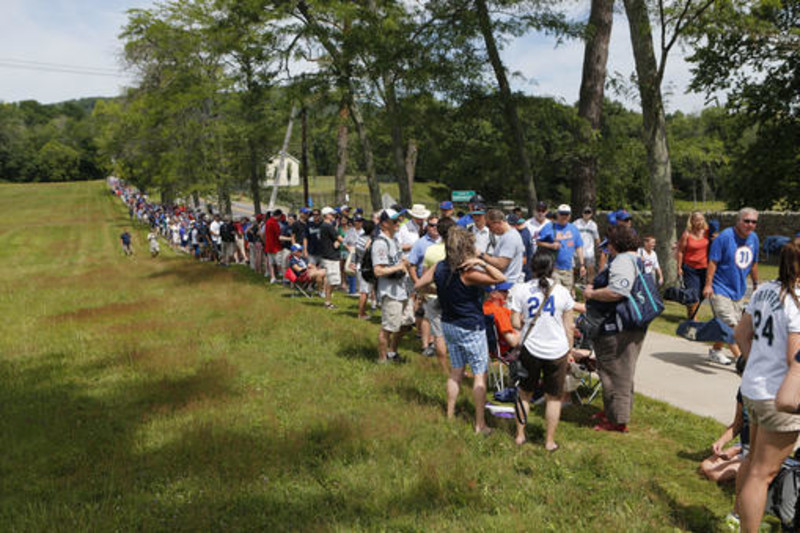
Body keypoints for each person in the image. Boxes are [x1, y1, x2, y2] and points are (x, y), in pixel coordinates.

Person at [732, 242, 800, 532]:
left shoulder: (764, 290)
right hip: (779, 395)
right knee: (764, 472)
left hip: (753, 388)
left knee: (752, 459)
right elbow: (794, 359)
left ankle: (737, 514)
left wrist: (756, 361)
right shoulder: (796, 302)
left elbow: (740, 333)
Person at [414, 227, 506, 434]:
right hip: (471, 326)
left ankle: (449, 414)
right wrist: (482, 262)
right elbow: (500, 277)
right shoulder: (469, 272)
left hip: (449, 324)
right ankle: (480, 424)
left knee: (456, 371)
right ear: (467, 247)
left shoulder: (439, 267)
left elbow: (418, 285)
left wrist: (438, 290)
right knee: (479, 375)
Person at [509, 251, 575, 451]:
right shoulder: (563, 292)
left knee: (525, 393)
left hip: (532, 347)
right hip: (557, 350)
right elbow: (569, 327)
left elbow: (514, 322)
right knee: (554, 397)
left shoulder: (521, 289)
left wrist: (525, 320)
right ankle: (549, 441)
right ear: (552, 268)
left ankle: (520, 435)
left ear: (532, 267)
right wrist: (570, 350)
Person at [584, 226, 646, 433]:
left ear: (615, 243)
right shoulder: (635, 258)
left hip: (618, 327)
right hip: (629, 325)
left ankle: (617, 420)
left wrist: (592, 294)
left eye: (609, 243)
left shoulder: (622, 260)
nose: (607, 248)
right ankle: (613, 410)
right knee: (622, 371)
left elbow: (617, 291)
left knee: (615, 373)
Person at [704, 208, 760, 365]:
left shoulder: (754, 239)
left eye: (753, 222)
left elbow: (754, 263)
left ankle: (715, 350)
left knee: (726, 323)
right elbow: (713, 262)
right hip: (720, 287)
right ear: (738, 221)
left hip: (739, 290)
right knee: (732, 325)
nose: (750, 224)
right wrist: (708, 284)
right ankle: (743, 359)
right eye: (746, 221)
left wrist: (756, 284)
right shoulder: (724, 237)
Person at [373, 209, 413, 363]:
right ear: (384, 224)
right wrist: (398, 267)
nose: (398, 223)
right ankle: (382, 359)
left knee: (406, 322)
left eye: (399, 220)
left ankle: (392, 352)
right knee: (388, 327)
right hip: (390, 291)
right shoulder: (380, 243)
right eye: (394, 221)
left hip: (403, 289)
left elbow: (398, 258)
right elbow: (378, 270)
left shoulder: (394, 240)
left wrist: (405, 262)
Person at [420, 217, 457, 373]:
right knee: (454, 336)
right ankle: (457, 368)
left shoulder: (431, 250)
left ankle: (444, 369)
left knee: (438, 335)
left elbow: (424, 276)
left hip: (435, 295)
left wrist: (424, 293)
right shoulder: (457, 251)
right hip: (455, 297)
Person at [700, 390, 748, 484]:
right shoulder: (745, 389)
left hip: (762, 452)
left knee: (714, 474)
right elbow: (737, 424)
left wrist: (739, 449)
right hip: (745, 447)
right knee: (706, 466)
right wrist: (720, 442)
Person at [408, 215, 441, 356]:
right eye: (432, 225)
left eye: (437, 225)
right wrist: (418, 284)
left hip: (440, 286)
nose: (434, 228)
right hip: (426, 286)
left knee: (437, 317)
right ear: (427, 226)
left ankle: (435, 343)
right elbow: (411, 265)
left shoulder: (444, 242)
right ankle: (425, 345)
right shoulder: (420, 243)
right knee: (427, 316)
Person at [536, 204, 586, 291]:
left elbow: (579, 246)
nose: (564, 217)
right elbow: (536, 242)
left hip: (568, 269)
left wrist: (582, 265)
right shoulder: (549, 226)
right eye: (562, 214)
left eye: (566, 214)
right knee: (556, 293)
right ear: (557, 214)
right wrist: (550, 245)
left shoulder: (573, 229)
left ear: (570, 215)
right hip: (553, 268)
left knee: (567, 295)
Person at [677, 211, 710, 318]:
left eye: (701, 219)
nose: (699, 222)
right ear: (692, 221)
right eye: (696, 219)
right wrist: (679, 267)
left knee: (701, 294)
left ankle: (691, 312)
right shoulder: (687, 234)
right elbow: (680, 251)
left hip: (704, 268)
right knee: (693, 293)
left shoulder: (707, 232)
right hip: (690, 268)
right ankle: (692, 318)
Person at [482, 209, 525, 284]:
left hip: (508, 285)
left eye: (489, 226)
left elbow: (501, 264)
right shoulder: (506, 236)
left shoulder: (510, 237)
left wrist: (481, 255)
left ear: (498, 222)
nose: (489, 230)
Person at [483, 282, 520, 354]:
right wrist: (521, 332)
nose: (508, 293)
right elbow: (513, 342)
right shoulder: (499, 313)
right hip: (504, 350)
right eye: (504, 291)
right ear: (493, 294)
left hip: (487, 348)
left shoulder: (485, 307)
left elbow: (513, 316)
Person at [319, 207, 344, 309]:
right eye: (332, 214)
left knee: (333, 280)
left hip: (330, 255)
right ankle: (327, 302)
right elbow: (340, 238)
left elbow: (336, 240)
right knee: (333, 281)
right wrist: (348, 246)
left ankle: (328, 301)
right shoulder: (328, 226)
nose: (333, 216)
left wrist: (337, 241)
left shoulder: (326, 226)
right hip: (330, 257)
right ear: (326, 215)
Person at [355, 220, 376, 320]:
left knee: (365, 291)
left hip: (360, 266)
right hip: (365, 268)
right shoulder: (369, 240)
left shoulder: (360, 238)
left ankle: (362, 311)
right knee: (364, 292)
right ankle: (361, 313)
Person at [574, 207, 600, 281]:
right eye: (585, 212)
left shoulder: (593, 225)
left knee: (591, 270)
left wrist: (599, 249)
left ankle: (590, 286)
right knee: (575, 270)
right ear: (582, 213)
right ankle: (575, 286)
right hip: (577, 252)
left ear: (591, 214)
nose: (587, 214)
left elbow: (597, 238)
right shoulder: (576, 223)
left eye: (588, 212)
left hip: (589, 252)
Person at [264, 210, 283, 282]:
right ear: (278, 215)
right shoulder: (275, 223)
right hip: (276, 246)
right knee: (279, 263)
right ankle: (284, 276)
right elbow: (279, 236)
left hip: (269, 245)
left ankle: (273, 277)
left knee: (271, 263)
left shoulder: (268, 221)